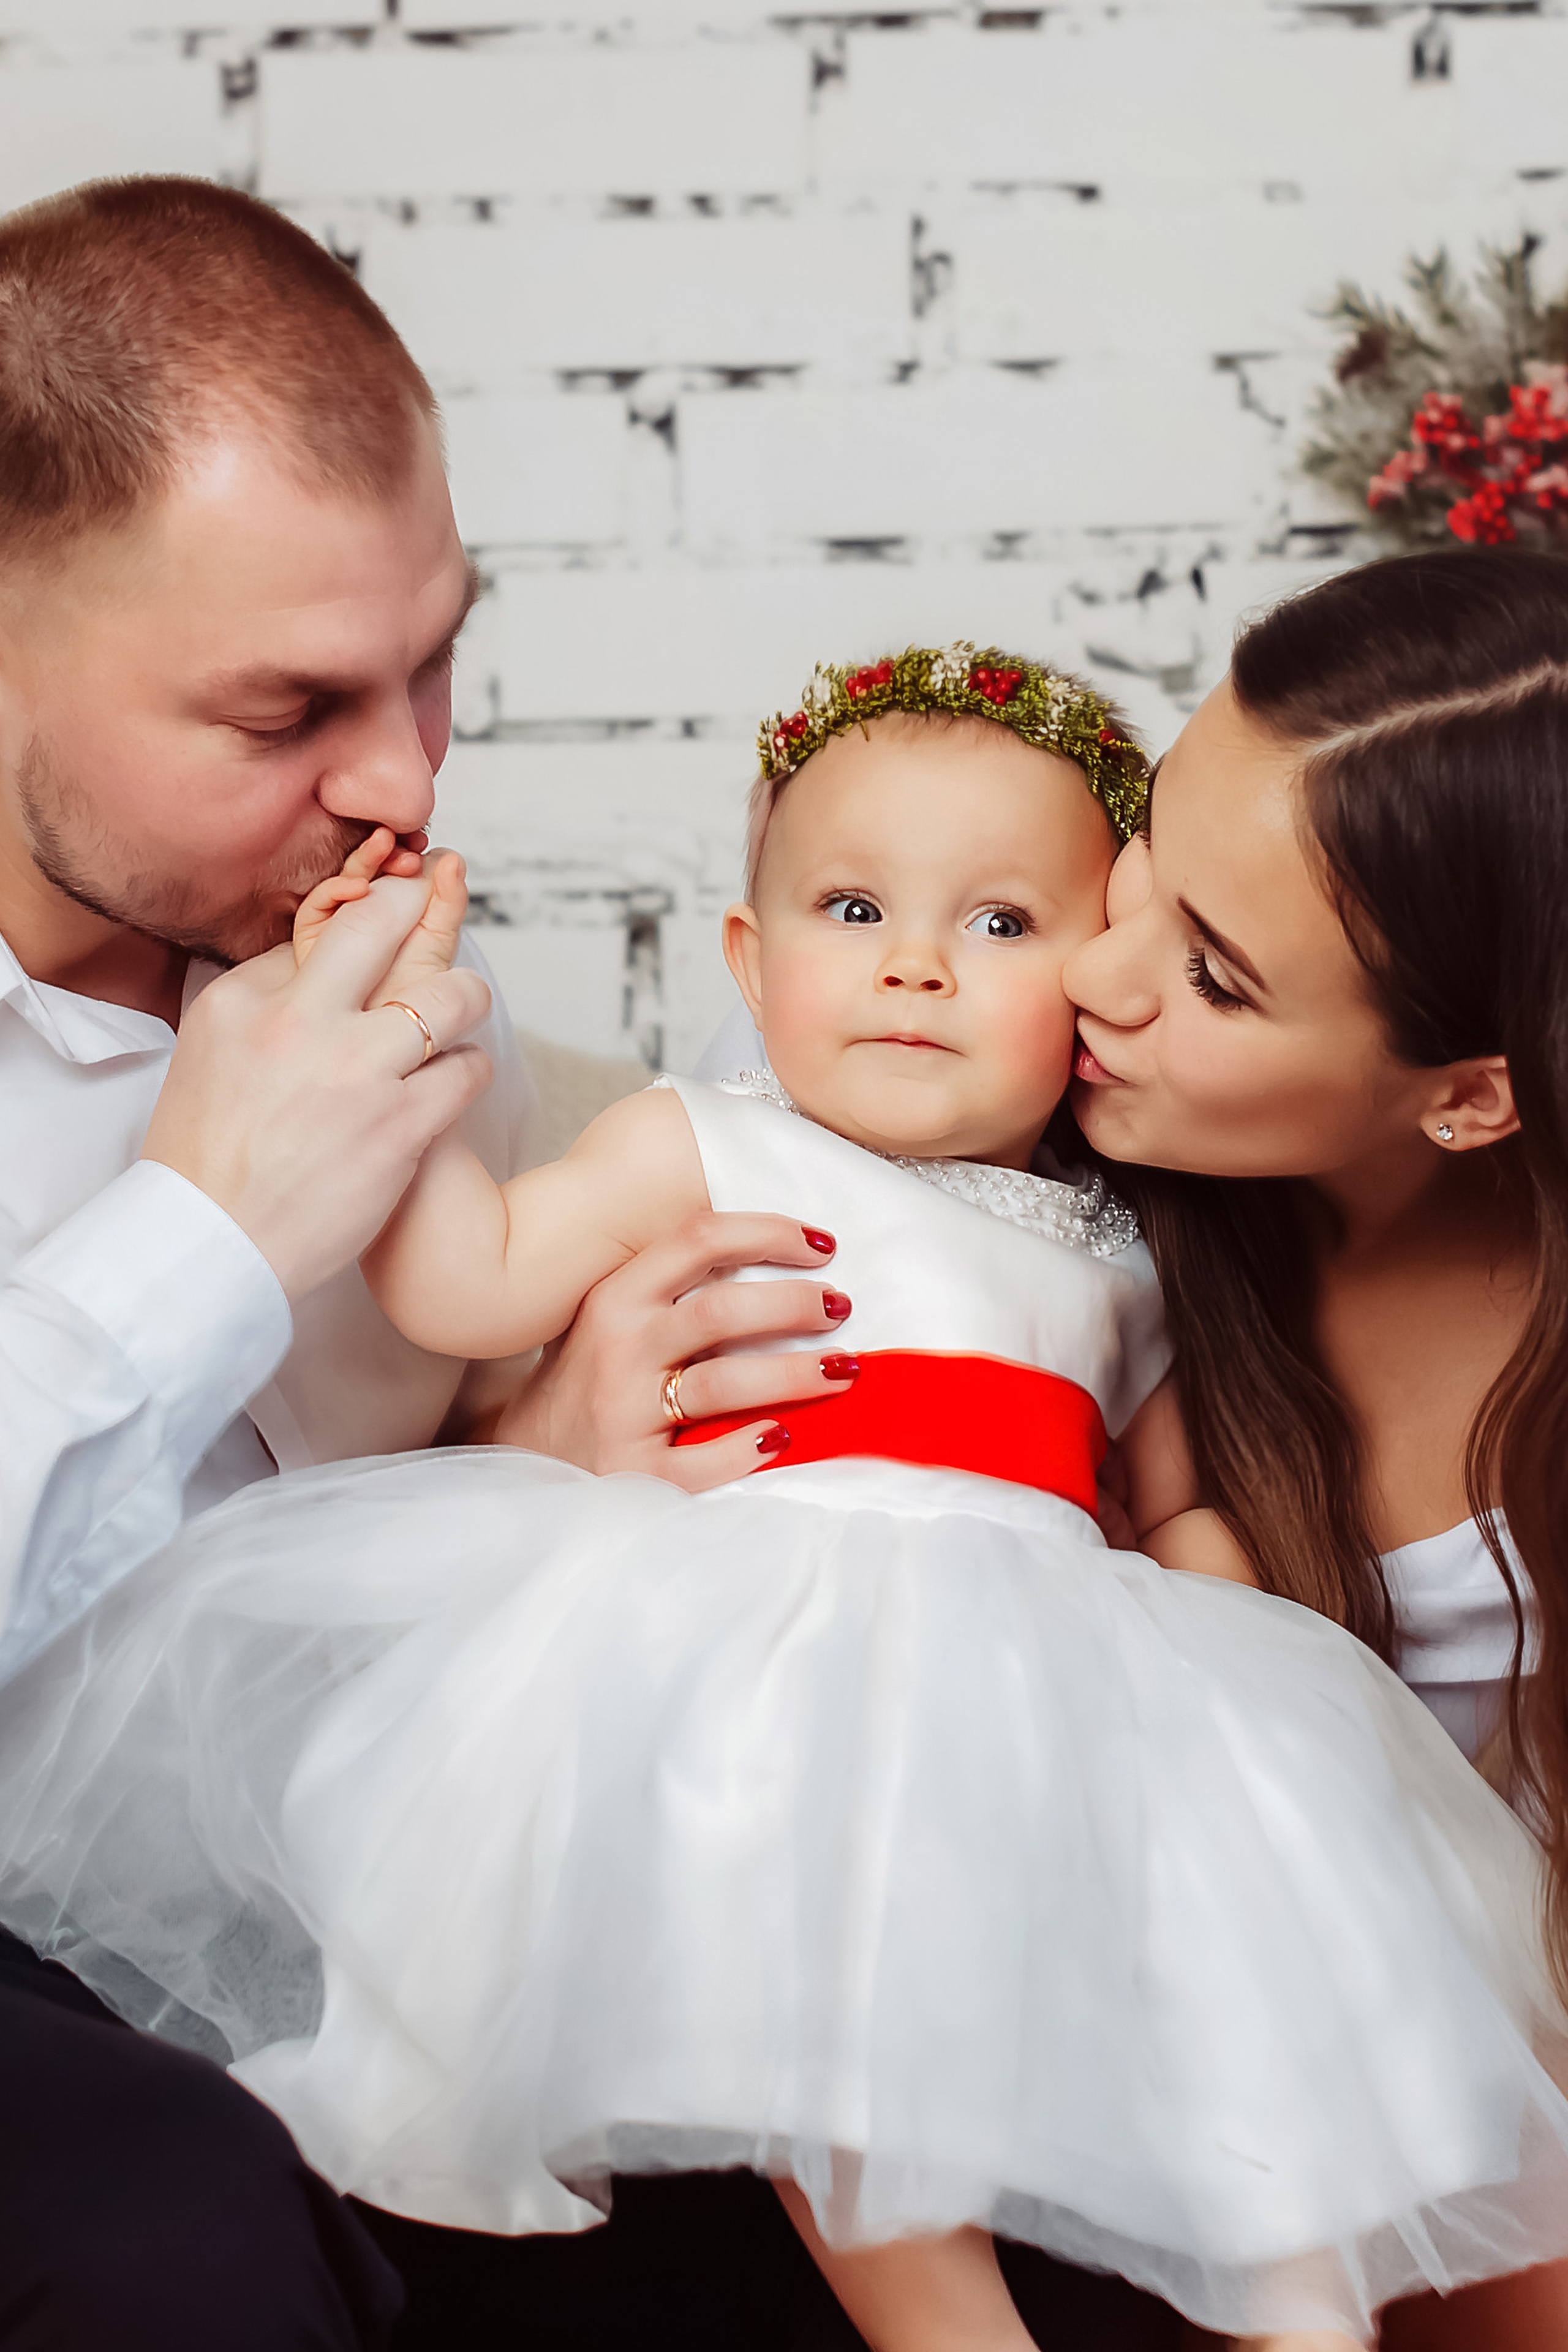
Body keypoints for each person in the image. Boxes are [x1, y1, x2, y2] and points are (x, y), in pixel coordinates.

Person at [6, 646, 1567, 2352]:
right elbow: (470, 1282)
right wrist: (407, 1068)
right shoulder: (716, 1138)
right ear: (748, 960)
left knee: (1237, 1986)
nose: (914, 963)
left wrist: (1247, 1686)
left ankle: (1298, 2303)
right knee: (821, 1993)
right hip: (777, 1654)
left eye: (1002, 926)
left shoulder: (1118, 1245)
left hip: (1052, 1669)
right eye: (849, 910)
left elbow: (1179, 1500)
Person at [0, 173, 871, 2351]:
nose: (402, 777)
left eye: (440, 658)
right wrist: (204, 1233)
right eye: (285, 712)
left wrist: (549, 1463)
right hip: (82, 2047)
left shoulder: (376, 1005)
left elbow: (368, 1625)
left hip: (369, 1959)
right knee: (171, 2231)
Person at [1058, 544, 1568, 2349]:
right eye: (1147, 844)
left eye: (1213, 976)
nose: (1094, 975)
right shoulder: (991, 1135)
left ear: (1470, 1091)